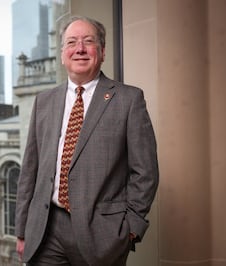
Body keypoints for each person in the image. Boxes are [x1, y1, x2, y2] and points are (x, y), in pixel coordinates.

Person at [15, 15, 159, 266]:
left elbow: (145, 172)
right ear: (62, 54)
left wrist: (131, 228)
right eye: (71, 42)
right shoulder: (44, 101)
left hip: (102, 234)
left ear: (102, 52)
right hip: (46, 231)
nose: (79, 49)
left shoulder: (128, 100)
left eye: (88, 41)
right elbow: (30, 170)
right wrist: (22, 229)